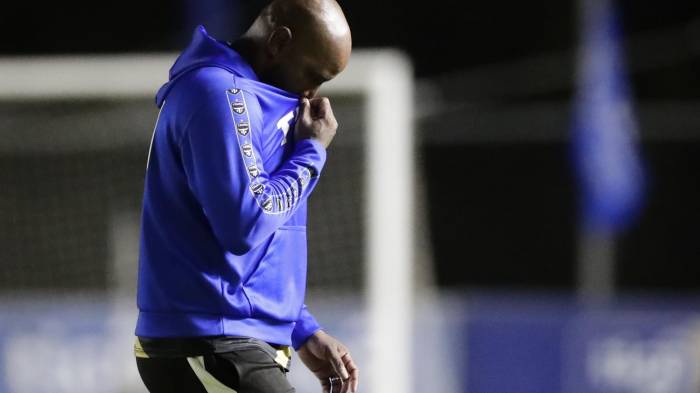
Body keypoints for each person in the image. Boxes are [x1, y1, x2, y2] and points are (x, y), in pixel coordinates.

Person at [133, 0, 358, 392]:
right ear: (279, 41)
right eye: (313, 73)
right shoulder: (219, 95)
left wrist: (299, 327)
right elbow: (246, 222)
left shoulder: (249, 96)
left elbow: (258, 238)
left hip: (229, 340)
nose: (313, 91)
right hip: (209, 343)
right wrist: (311, 153)